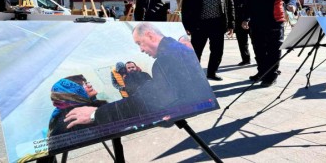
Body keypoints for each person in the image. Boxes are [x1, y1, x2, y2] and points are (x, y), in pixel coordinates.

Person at [63, 23, 215, 127]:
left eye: (139, 43)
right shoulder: (180, 50)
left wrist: (96, 115)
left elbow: (145, 102)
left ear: (150, 35)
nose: (141, 50)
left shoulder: (165, 60)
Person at [242, 0, 296, 87]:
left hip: (274, 24)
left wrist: (291, 4)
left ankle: (272, 76)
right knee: (259, 51)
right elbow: (248, 6)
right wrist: (245, 19)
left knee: (273, 51)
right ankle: (262, 72)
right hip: (256, 25)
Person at [181, 0, 235, 81]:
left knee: (217, 51)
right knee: (196, 51)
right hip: (199, 25)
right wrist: (186, 26)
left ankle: (212, 73)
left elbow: (230, 8)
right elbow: (185, 10)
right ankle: (194, 75)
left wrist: (231, 25)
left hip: (217, 25)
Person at [233, 0, 253, 66]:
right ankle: (245, 59)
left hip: (253, 25)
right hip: (239, 25)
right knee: (242, 44)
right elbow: (232, 12)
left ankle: (261, 60)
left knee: (257, 43)